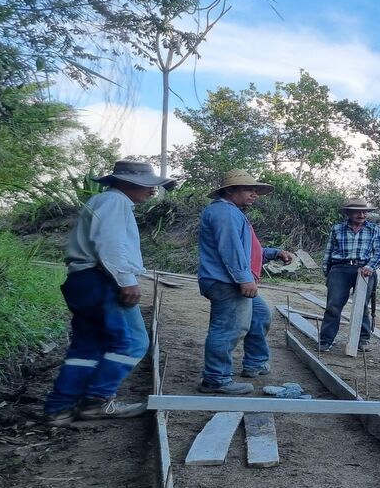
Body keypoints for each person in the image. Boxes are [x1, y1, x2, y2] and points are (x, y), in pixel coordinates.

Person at [43, 160, 176, 425]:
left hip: (81, 280)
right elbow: (111, 245)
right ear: (125, 183)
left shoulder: (101, 202)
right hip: (101, 279)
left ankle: (60, 407)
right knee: (134, 342)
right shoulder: (115, 203)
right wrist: (126, 280)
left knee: (88, 346)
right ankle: (97, 400)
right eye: (147, 186)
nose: (152, 191)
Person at [197, 170, 293, 394]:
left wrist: (274, 252)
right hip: (226, 281)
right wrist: (244, 279)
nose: (255, 194)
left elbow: (246, 248)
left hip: (230, 279)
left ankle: (255, 362)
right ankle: (216, 378)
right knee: (227, 328)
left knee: (259, 315)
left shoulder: (232, 212)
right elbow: (230, 250)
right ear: (230, 190)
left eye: (256, 190)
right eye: (249, 189)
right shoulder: (224, 212)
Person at [318, 199, 380, 353]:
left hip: (364, 269)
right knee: (333, 306)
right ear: (348, 213)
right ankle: (325, 340)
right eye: (357, 212)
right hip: (340, 268)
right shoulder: (337, 229)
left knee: (361, 305)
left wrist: (370, 267)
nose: (361, 215)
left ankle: (362, 340)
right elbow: (328, 251)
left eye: (364, 212)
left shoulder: (374, 229)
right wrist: (327, 272)